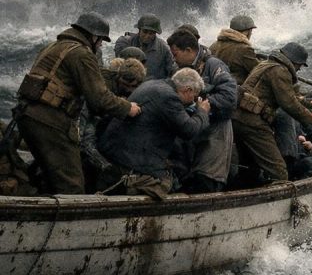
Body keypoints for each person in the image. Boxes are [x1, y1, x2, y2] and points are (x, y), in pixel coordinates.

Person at [16, 13, 141, 194]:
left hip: (27, 115)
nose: (100, 45)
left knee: (49, 175)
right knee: (72, 185)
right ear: (93, 36)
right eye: (100, 40)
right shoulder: (81, 54)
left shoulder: (54, 46)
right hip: (50, 122)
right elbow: (99, 98)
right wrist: (128, 108)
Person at [98, 68, 210, 199]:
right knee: (168, 185)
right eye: (194, 97)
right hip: (131, 161)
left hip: (115, 152)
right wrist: (202, 112)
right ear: (188, 90)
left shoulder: (152, 84)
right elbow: (189, 130)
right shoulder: (169, 97)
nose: (193, 101)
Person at [232, 43, 312, 183]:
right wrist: (311, 117)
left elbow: (288, 95)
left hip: (237, 118)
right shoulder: (280, 71)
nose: (299, 69)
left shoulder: (265, 65)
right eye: (300, 65)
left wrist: (307, 103)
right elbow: (288, 103)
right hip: (253, 124)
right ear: (295, 61)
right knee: (279, 172)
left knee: (250, 166)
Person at [167, 30, 237, 192]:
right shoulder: (178, 69)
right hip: (192, 128)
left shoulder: (214, 65)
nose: (173, 59)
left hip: (215, 129)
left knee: (208, 178)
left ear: (188, 50)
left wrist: (202, 105)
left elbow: (230, 97)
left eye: (175, 54)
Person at [80, 57, 146, 190]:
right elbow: (87, 118)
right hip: (86, 120)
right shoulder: (101, 85)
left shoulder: (119, 88)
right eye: (129, 86)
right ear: (120, 79)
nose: (130, 91)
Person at [114, 14, 176, 80]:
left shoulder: (164, 49)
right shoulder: (125, 42)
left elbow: (172, 70)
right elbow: (118, 64)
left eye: (151, 33)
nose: (147, 36)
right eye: (145, 32)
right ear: (139, 30)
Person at [210, 15, 260, 86]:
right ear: (247, 32)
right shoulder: (245, 49)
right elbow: (258, 70)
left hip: (213, 85)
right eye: (251, 31)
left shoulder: (214, 45)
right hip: (235, 87)